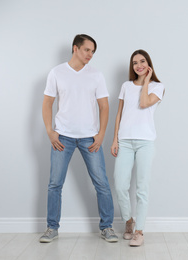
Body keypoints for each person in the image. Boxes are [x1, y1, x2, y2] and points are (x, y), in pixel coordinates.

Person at [40, 34, 118, 243]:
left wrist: (101, 134)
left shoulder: (96, 75)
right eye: (87, 50)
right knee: (55, 184)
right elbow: (47, 104)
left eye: (93, 52)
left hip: (89, 138)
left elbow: (104, 106)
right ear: (75, 48)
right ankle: (51, 228)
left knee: (101, 183)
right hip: (62, 137)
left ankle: (107, 227)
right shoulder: (57, 72)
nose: (90, 55)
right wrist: (50, 131)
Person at [111, 49, 165, 247]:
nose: (139, 65)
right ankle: (128, 221)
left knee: (142, 189)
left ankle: (139, 231)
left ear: (149, 64)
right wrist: (115, 140)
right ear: (132, 66)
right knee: (120, 186)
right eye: (135, 63)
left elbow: (143, 103)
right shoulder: (126, 86)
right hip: (125, 141)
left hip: (145, 143)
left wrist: (147, 81)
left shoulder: (158, 87)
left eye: (142, 62)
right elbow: (119, 114)